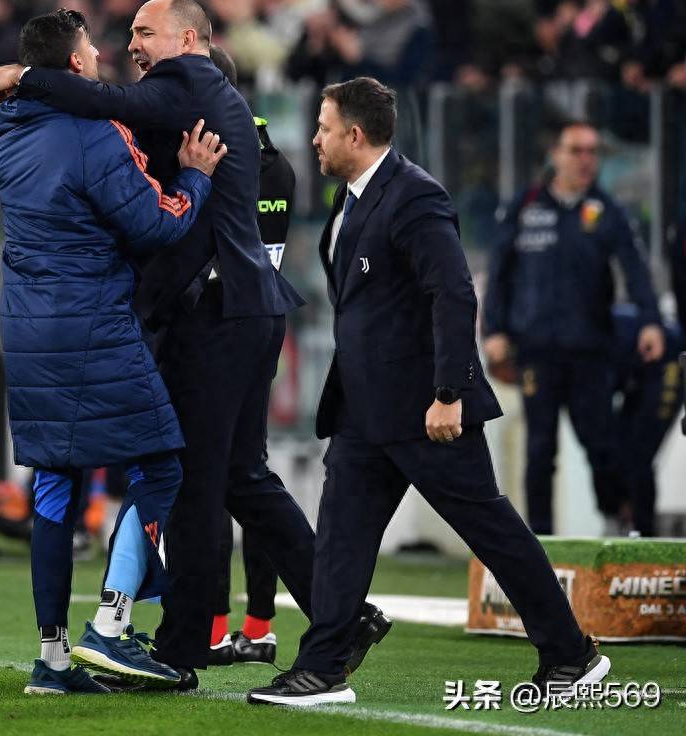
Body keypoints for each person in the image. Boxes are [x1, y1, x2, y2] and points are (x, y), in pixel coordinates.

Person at [0, 0, 390, 689]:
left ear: (190, 39)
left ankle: (172, 645)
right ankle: (341, 613)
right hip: (238, 309)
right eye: (126, 35)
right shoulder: (195, 106)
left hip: (215, 314)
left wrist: (24, 79)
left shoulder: (182, 85)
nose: (131, 46)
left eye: (145, 32)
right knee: (237, 478)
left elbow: (107, 109)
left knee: (191, 479)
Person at [248, 77, 610, 707]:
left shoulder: (414, 195)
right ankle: (322, 668)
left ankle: (571, 654)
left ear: (354, 134)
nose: (315, 139)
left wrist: (450, 391)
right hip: (363, 408)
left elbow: (454, 292)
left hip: (425, 409)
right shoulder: (351, 198)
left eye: (324, 128)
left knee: (491, 530)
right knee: (340, 539)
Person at [0, 8, 226, 695]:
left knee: (56, 484)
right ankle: (112, 622)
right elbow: (155, 224)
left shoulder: (5, 129)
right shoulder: (95, 133)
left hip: (27, 326)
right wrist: (195, 178)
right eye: (91, 49)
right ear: (75, 65)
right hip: (91, 321)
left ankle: (52, 660)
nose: (101, 56)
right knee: (161, 464)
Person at [482, 121, 664, 535]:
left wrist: (651, 321)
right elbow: (499, 273)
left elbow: (635, 270)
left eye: (592, 152)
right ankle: (540, 542)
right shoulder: (524, 206)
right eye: (576, 151)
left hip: (590, 351)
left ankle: (615, 522)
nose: (586, 160)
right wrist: (493, 331)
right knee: (539, 449)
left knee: (601, 446)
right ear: (555, 155)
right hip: (535, 350)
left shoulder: (607, 210)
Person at [206, 45, 295, 667]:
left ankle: (214, 628)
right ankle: (258, 625)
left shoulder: (219, 156)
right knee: (249, 474)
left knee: (214, 481)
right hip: (261, 321)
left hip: (216, 327)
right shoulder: (275, 162)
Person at [610, 304, 683, 536]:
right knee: (617, 446)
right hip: (640, 375)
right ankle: (625, 515)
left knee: (639, 454)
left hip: (668, 362)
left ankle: (643, 528)